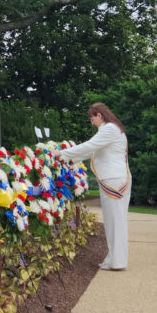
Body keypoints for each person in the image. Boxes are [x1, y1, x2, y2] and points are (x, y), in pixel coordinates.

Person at [54, 102, 131, 271]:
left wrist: (62, 153)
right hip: (114, 178)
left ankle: (118, 261)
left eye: (92, 118)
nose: (91, 122)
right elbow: (93, 151)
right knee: (113, 221)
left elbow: (89, 146)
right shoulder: (112, 129)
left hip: (113, 180)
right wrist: (68, 159)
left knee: (115, 221)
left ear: (99, 115)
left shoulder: (109, 129)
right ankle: (114, 258)